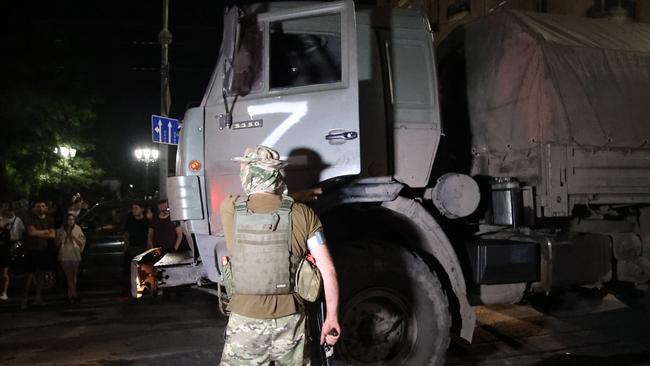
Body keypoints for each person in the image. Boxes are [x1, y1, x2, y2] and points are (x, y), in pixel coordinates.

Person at [219, 145, 340, 365]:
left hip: (245, 322)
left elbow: (262, 202)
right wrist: (331, 317)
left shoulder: (229, 208)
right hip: (290, 322)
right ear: (277, 174)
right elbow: (328, 269)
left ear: (248, 171)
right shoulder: (303, 213)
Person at [22, 200, 56, 309]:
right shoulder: (30, 219)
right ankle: (24, 300)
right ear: (35, 208)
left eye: (43, 206)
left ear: (46, 208)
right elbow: (31, 232)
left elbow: (53, 235)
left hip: (44, 251)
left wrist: (38, 232)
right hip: (32, 250)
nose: (41, 208)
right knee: (29, 276)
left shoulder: (50, 219)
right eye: (38, 206)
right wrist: (46, 232)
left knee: (41, 276)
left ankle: (38, 299)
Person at [56, 213, 86, 304]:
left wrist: (73, 237)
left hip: (75, 254)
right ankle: (75, 295)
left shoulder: (77, 229)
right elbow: (57, 243)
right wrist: (63, 238)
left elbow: (82, 242)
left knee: (73, 275)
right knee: (69, 276)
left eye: (73, 220)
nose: (71, 222)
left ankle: (70, 296)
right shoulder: (61, 230)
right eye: (69, 220)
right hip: (65, 255)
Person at [0, 207, 26, 300]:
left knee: (4, 274)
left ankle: (4, 292)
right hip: (4, 250)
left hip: (5, 251)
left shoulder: (7, 230)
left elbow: (7, 240)